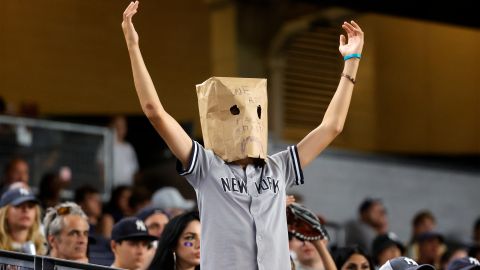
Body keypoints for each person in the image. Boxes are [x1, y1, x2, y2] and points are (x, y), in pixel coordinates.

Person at [121, 1, 363, 269]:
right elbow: (155, 112)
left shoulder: (279, 167)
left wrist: (351, 62)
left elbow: (332, 126)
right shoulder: (206, 167)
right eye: (235, 113)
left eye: (254, 113)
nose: (247, 122)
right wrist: (133, 47)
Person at [0, 188, 45, 255]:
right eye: (18, 205)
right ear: (5, 212)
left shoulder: (45, 248)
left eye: (30, 206)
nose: (26, 210)